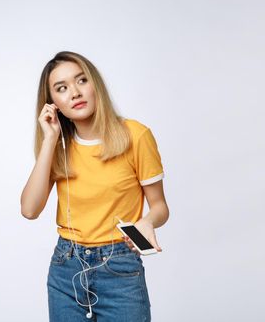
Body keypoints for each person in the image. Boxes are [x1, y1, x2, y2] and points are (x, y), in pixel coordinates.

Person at [20, 51, 170, 322]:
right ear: (52, 103)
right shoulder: (59, 145)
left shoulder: (136, 135)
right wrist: (49, 140)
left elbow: (159, 206)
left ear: (95, 84)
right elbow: (29, 210)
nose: (74, 93)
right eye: (61, 88)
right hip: (67, 267)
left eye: (81, 80)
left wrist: (148, 222)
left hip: (120, 268)